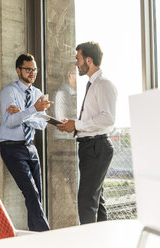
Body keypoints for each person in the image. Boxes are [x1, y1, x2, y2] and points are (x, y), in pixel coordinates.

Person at [57, 41, 117, 224]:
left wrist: (77, 125)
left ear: (88, 60)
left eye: (78, 59)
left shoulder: (103, 84)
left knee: (86, 201)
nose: (76, 64)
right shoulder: (93, 84)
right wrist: (74, 125)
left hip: (97, 146)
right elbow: (94, 117)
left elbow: (108, 119)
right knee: (96, 200)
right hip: (89, 146)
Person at [0, 53, 53, 231]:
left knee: (38, 195)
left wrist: (24, 113)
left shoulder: (37, 93)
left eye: (34, 69)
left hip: (30, 147)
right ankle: (47, 237)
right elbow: (10, 122)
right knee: (31, 193)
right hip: (11, 147)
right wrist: (32, 111)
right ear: (18, 70)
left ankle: (36, 237)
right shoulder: (9, 91)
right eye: (28, 69)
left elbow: (42, 124)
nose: (32, 73)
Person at [53, 62, 77, 139]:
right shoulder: (62, 93)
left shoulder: (77, 93)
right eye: (77, 73)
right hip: (65, 139)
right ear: (70, 75)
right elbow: (62, 120)